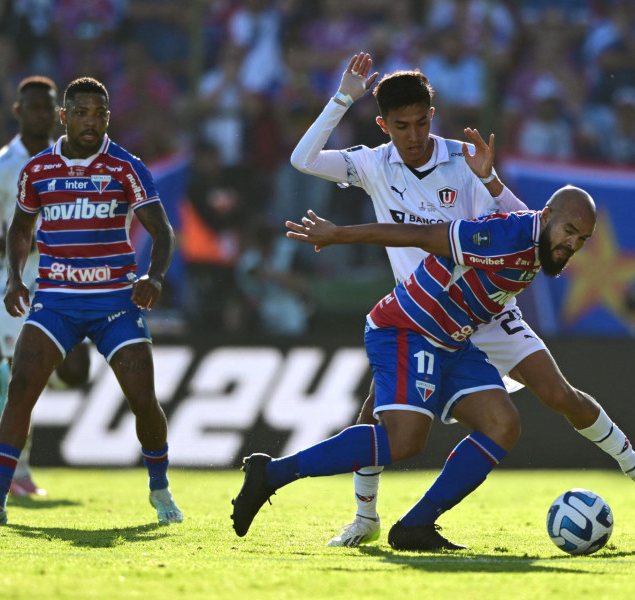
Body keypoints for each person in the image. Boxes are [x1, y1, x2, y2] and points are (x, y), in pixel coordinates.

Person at [287, 52, 635, 547]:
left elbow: (530, 226)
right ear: (384, 125)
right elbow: (302, 160)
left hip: (488, 308)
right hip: (422, 312)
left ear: (433, 117)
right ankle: (366, 517)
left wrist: (491, 180)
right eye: (402, 126)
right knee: (376, 414)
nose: (413, 136)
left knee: (558, 394)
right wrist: (344, 96)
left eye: (422, 122)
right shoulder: (371, 164)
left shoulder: (463, 158)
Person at [231, 185, 602, 550]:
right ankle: (272, 473)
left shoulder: (540, 242)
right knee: (404, 440)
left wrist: (492, 182)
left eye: (581, 239)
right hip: (407, 327)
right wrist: (340, 234)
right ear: (549, 216)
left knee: (502, 424)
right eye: (569, 232)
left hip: (452, 341)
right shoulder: (502, 235)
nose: (572, 244)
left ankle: (416, 524)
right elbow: (420, 235)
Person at [0, 77, 183, 526]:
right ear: (65, 116)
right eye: (81, 113)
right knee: (20, 387)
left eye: (99, 114)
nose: (90, 122)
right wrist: (16, 280)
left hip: (115, 302)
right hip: (56, 298)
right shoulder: (37, 169)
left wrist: (154, 277)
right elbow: (20, 228)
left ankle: (160, 490)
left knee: (143, 400)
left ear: (108, 118)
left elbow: (162, 230)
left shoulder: (126, 167)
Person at [0, 75, 91, 497]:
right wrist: (17, 243)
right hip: (8, 283)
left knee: (76, 369)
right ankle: (17, 472)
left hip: (55, 279)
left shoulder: (66, 159)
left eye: (45, 108)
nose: (39, 114)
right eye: (30, 107)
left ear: (57, 113)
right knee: (18, 378)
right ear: (18, 112)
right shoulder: (1, 168)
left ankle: (22, 377)